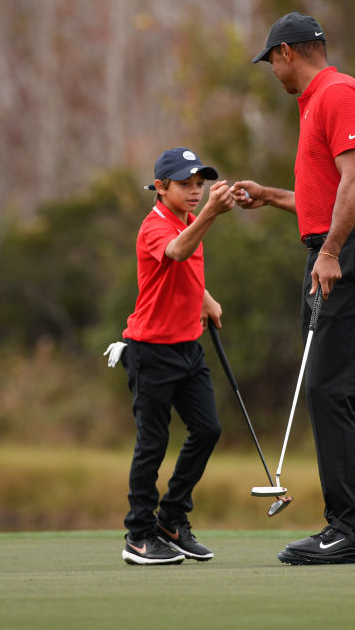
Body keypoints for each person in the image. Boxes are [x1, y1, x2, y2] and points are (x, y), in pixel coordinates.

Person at [233, 12, 355, 565]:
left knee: (331, 390)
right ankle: (349, 526)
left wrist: (330, 252)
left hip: (351, 254)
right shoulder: (314, 102)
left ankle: (350, 528)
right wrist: (270, 196)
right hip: (338, 250)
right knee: (330, 390)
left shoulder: (338, 93)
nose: (273, 72)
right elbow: (329, 196)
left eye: (271, 61)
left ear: (287, 52)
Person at [105, 147, 235, 565]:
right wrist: (212, 212)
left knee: (208, 429)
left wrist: (205, 297)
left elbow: (185, 269)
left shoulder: (188, 220)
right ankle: (138, 535)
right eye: (185, 184)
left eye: (200, 184)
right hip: (151, 351)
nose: (195, 191)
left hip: (187, 347)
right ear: (161, 187)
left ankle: (171, 519)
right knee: (153, 444)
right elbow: (176, 252)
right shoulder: (155, 226)